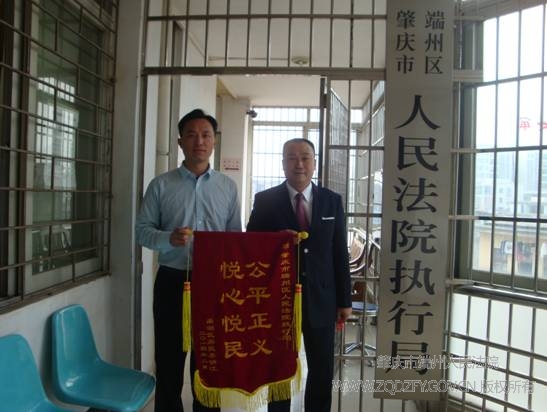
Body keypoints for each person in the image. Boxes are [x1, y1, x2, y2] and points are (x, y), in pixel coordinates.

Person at [136, 109, 241, 412]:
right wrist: (168, 238)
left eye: (206, 135)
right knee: (169, 360)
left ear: (214, 141)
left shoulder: (227, 187)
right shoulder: (161, 185)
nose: (199, 141)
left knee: (208, 361)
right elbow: (142, 232)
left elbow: (235, 238)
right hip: (172, 281)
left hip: (214, 284)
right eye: (192, 135)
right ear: (180, 141)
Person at [246, 138, 352, 412]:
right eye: (291, 158)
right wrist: (276, 240)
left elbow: (339, 252)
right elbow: (250, 245)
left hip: (322, 297)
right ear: (283, 164)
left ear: (315, 163)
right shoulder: (265, 200)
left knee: (322, 367)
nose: (299, 164)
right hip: (278, 297)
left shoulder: (332, 201)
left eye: (305, 157)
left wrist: (345, 300)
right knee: (279, 366)